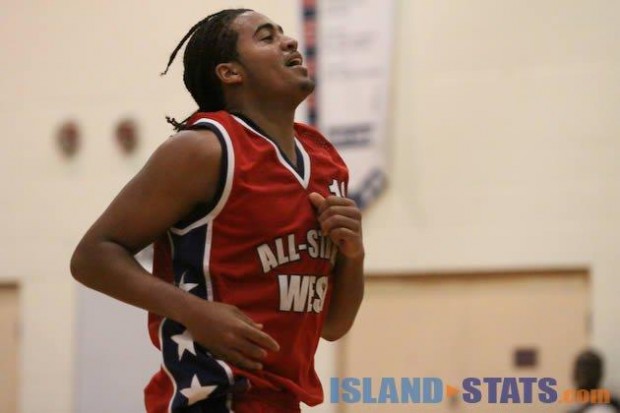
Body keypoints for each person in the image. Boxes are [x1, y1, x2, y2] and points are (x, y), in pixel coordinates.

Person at [70, 8, 365, 413]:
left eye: (283, 34)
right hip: (213, 396)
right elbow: (91, 256)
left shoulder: (326, 162)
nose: (290, 41)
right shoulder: (204, 148)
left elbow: (333, 325)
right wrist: (194, 311)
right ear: (230, 72)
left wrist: (354, 255)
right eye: (266, 37)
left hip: (282, 401)